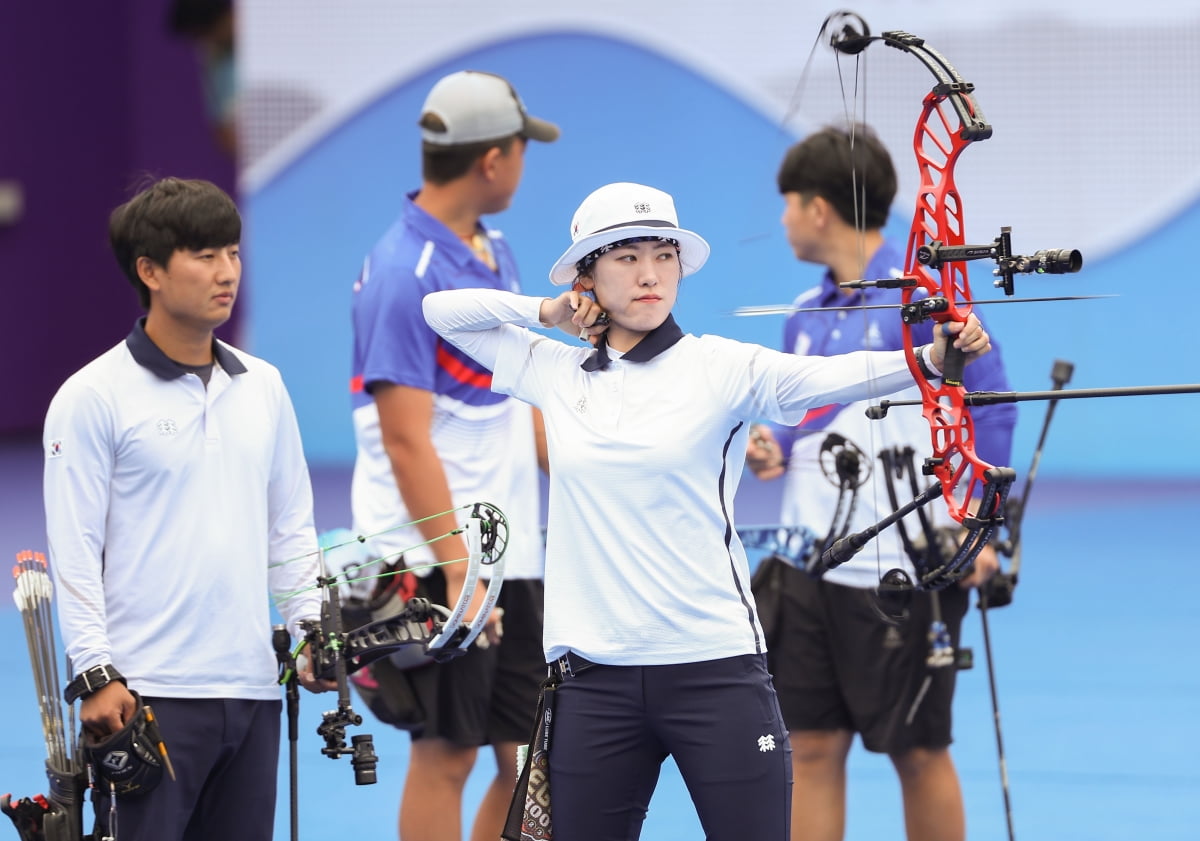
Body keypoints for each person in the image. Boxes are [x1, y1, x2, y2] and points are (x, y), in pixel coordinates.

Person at [420, 180, 993, 841]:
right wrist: (547, 310)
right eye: (625, 257)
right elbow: (437, 309)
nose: (649, 274)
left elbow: (836, 376)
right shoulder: (552, 370)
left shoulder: (722, 367)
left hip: (715, 670)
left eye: (663, 255)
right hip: (590, 680)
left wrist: (929, 359)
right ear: (588, 275)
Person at [744, 125, 1017, 841]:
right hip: (807, 565)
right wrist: (773, 444)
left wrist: (980, 527)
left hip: (904, 565)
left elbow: (991, 409)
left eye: (789, 203)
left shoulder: (930, 300)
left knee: (919, 750)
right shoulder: (805, 316)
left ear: (820, 210)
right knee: (809, 743)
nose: (782, 219)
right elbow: (802, 420)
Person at [42, 177, 332, 841]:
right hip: (146, 694)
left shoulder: (266, 387)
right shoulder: (92, 397)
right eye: (204, 255)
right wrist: (95, 673)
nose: (226, 272)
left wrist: (312, 626)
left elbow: (289, 527)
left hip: (254, 691)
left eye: (232, 252)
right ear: (150, 271)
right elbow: (75, 549)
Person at [348, 70, 557, 841]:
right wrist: (460, 565)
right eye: (522, 151)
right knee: (446, 755)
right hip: (444, 557)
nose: (524, 165)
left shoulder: (492, 251)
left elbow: (517, 399)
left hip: (510, 552)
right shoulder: (404, 275)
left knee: (528, 756)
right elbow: (405, 436)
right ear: (494, 161)